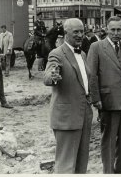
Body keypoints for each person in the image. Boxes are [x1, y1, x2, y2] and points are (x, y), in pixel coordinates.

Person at [87, 16, 121, 174]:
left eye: (119, 30)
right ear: (106, 29)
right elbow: (92, 75)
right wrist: (96, 99)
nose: (116, 33)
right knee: (109, 140)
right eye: (113, 30)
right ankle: (108, 171)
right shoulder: (96, 47)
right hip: (108, 100)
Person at [43, 18, 92, 173]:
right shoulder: (56, 54)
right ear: (65, 33)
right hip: (66, 117)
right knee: (65, 165)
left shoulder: (83, 54)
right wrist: (53, 76)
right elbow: (49, 75)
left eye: (82, 31)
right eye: (75, 32)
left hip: (84, 115)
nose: (80, 35)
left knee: (81, 163)